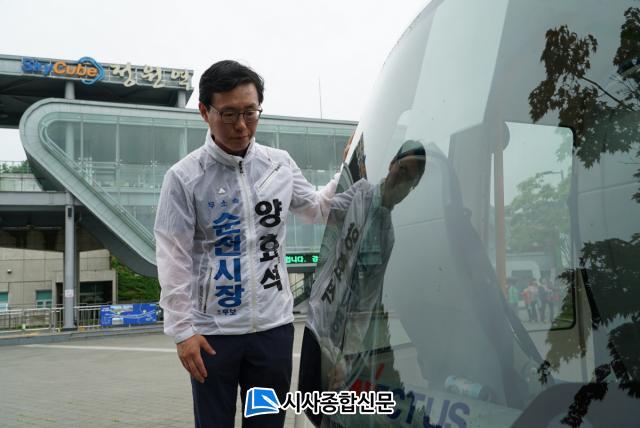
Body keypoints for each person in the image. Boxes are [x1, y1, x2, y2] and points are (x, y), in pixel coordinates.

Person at [154, 60, 345, 428]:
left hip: (273, 331)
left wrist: (349, 166)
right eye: (228, 114)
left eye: (250, 112)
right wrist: (182, 331)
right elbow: (172, 258)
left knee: (267, 423)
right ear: (204, 112)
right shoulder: (184, 177)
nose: (241, 125)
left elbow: (319, 209)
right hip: (212, 335)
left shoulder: (279, 165)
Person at [298, 139, 427, 426]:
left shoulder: (388, 235)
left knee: (330, 406)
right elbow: (322, 210)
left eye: (411, 179)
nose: (403, 180)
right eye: (402, 170)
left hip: (341, 338)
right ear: (392, 165)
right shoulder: (361, 193)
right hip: (320, 318)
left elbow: (368, 300)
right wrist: (344, 172)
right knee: (308, 395)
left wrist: (349, 355)